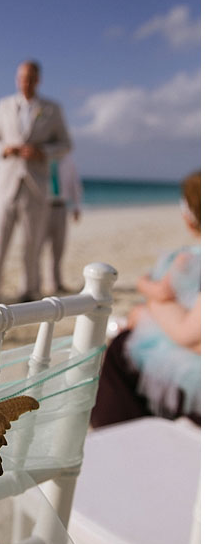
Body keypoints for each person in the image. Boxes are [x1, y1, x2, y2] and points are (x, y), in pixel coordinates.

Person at [91, 171, 200, 428]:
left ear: (189, 218)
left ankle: (123, 439)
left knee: (122, 348)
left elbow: (187, 334)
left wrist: (149, 306)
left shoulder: (188, 257)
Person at [0, 60, 72, 306]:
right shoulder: (3, 106)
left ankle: (29, 292)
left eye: (30, 78)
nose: (25, 82)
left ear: (38, 80)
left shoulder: (52, 109)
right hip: (5, 186)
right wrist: (4, 149)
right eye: (21, 77)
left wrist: (42, 152)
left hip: (35, 187)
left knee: (32, 246)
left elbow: (65, 145)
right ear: (16, 78)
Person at [42, 151, 83, 295]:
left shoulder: (67, 159)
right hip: (41, 207)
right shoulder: (40, 155)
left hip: (61, 206)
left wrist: (77, 206)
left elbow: (74, 183)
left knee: (58, 247)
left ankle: (56, 283)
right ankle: (33, 285)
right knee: (35, 249)